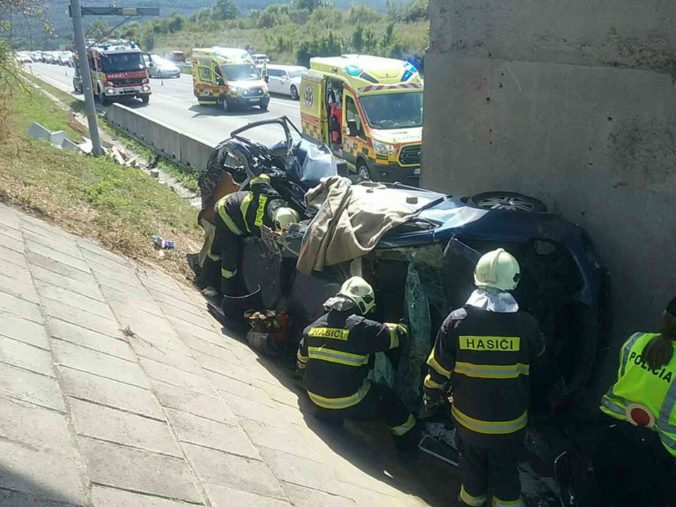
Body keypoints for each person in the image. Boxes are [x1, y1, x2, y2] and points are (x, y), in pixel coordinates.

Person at [423, 248, 544, 507]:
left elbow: (438, 370)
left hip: (469, 424)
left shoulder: (456, 322)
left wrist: (431, 397)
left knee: (472, 474)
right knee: (506, 478)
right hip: (510, 425)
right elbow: (540, 358)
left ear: (477, 277)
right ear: (514, 280)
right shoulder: (527, 324)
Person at [296, 276, 420, 452]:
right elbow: (399, 335)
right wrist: (405, 321)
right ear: (364, 302)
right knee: (390, 401)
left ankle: (329, 415)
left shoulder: (313, 327)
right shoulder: (364, 328)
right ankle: (408, 449)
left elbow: (301, 362)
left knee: (337, 376)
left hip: (314, 395)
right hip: (346, 400)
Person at [594, 297, 676, 506]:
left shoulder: (635, 341)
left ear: (664, 317)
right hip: (660, 454)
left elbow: (624, 378)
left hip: (615, 434)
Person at [196, 173, 299, 296]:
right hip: (227, 214)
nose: (280, 234)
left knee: (217, 250)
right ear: (275, 221)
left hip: (239, 220)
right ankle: (226, 294)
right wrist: (276, 175)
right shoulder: (268, 195)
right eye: (281, 230)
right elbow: (259, 179)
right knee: (229, 261)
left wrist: (282, 178)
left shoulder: (280, 205)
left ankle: (206, 279)